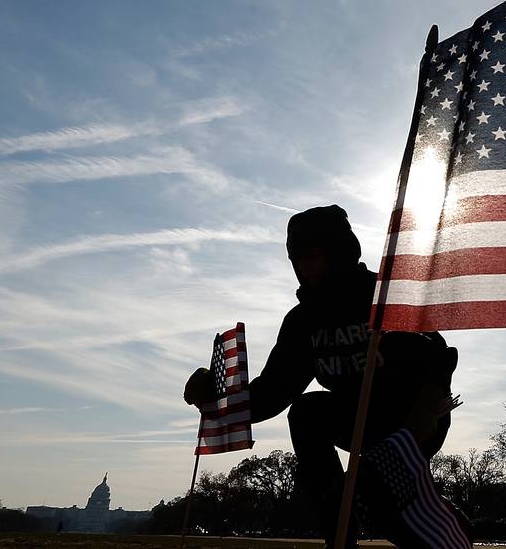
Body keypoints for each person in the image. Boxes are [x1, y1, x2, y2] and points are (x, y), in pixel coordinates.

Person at [184, 205, 465, 547]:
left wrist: (426, 408)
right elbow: (273, 391)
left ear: (339, 251)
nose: (305, 267)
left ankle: (449, 529)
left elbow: (438, 356)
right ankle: (339, 538)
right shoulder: (303, 322)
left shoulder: (384, 295)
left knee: (377, 498)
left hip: (413, 420)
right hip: (357, 419)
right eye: (297, 259)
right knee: (305, 413)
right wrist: (218, 400)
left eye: (313, 255)